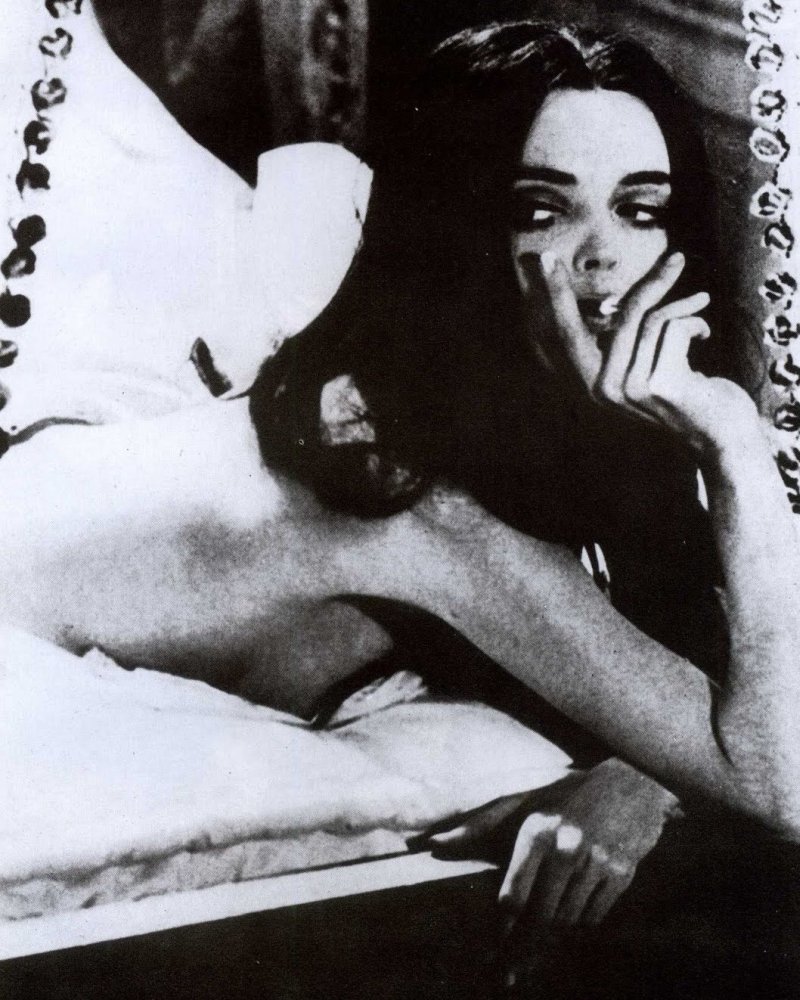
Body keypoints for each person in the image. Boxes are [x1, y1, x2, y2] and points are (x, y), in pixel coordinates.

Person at [1, 17, 800, 987]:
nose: (602, 258)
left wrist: (643, 775)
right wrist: (734, 440)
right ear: (451, 227)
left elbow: (676, 651)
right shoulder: (413, 492)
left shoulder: (505, 410)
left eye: (640, 210)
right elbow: (778, 782)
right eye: (538, 209)